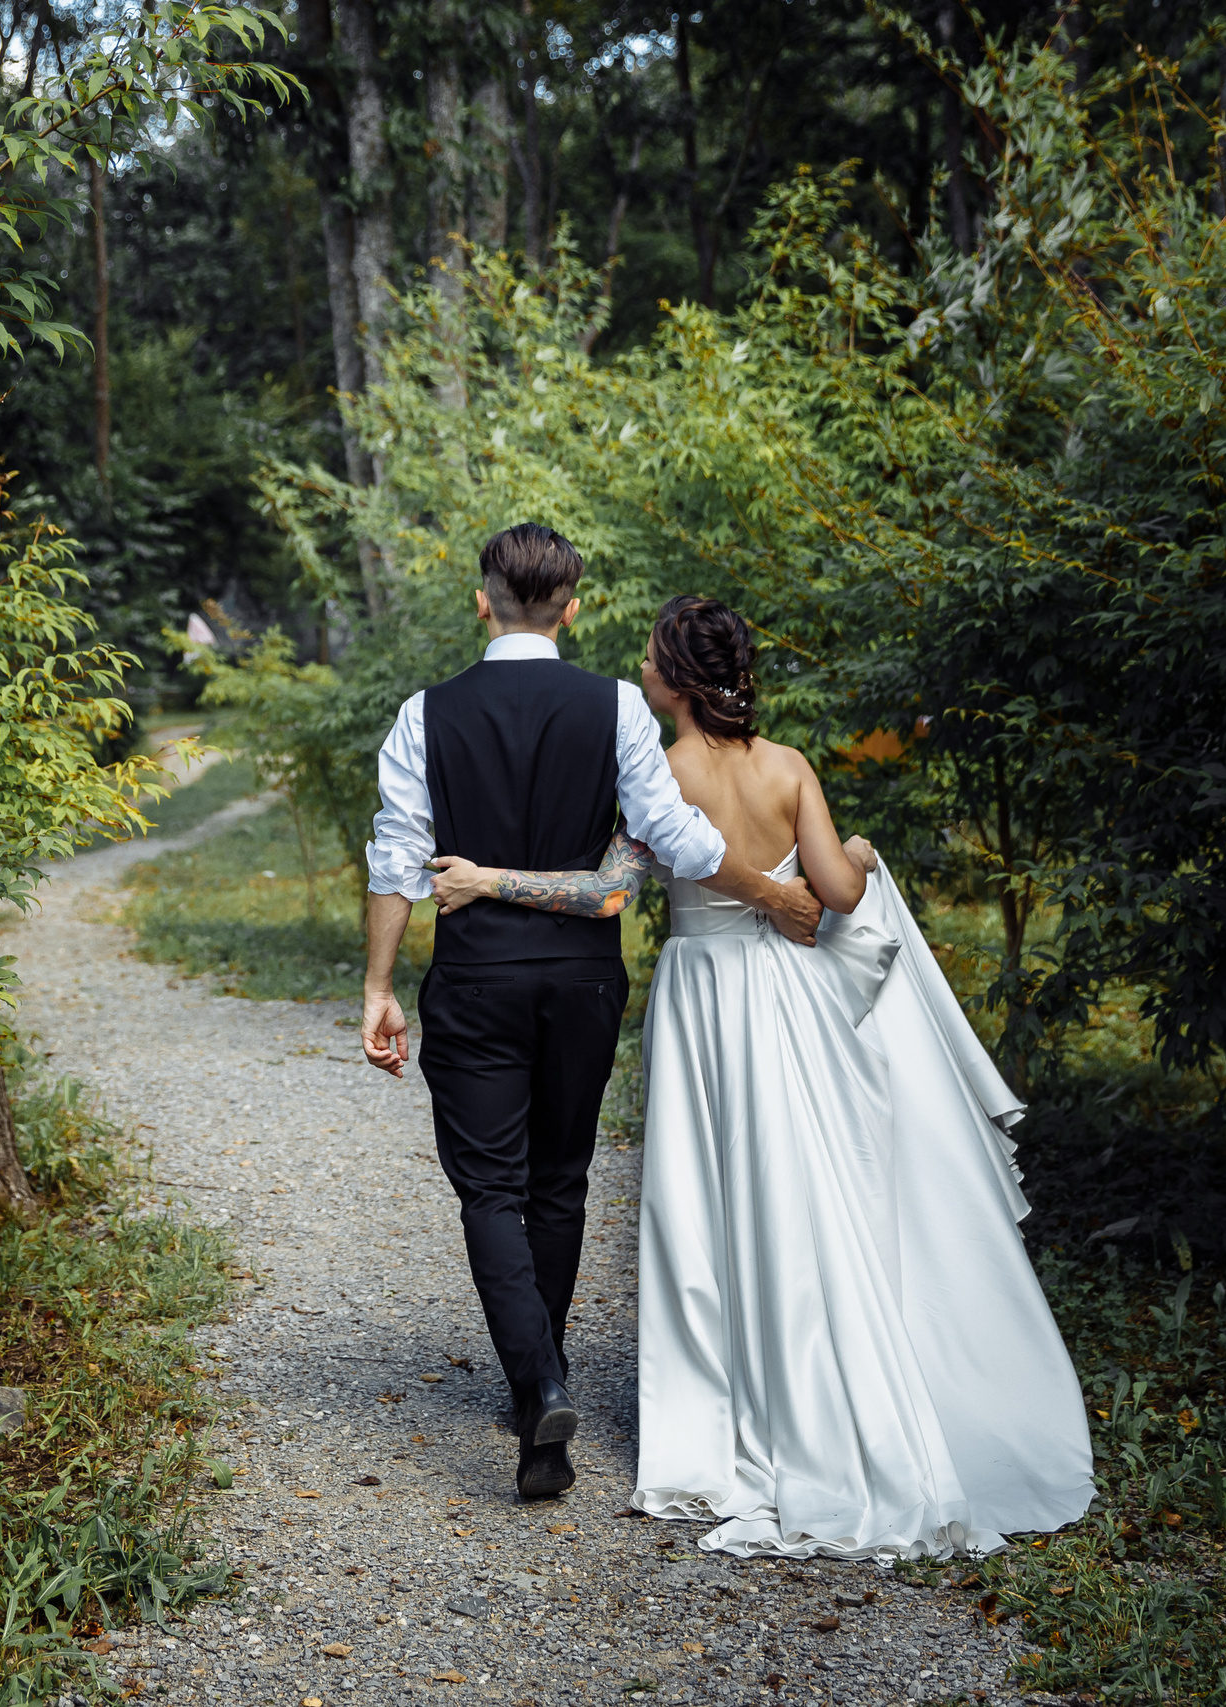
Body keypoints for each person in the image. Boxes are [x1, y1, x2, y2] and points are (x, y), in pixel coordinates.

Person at [426, 594, 1095, 1557]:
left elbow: (606, 889)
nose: (642, 672)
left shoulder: (654, 770)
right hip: (794, 999)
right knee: (812, 1188)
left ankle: (725, 1410)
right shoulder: (787, 767)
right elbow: (840, 893)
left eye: (653, 661)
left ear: (677, 683)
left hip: (705, 998)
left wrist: (489, 880)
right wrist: (857, 851)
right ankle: (823, 1382)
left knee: (710, 1200)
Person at [359, 527, 823, 1502]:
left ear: (482, 602)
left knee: (489, 1190)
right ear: (572, 610)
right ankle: (545, 1379)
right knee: (559, 1181)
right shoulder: (613, 706)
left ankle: (539, 1390)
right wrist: (772, 885)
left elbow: (396, 860)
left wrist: (378, 988)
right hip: (581, 982)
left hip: (477, 981)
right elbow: (674, 839)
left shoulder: (424, 715)